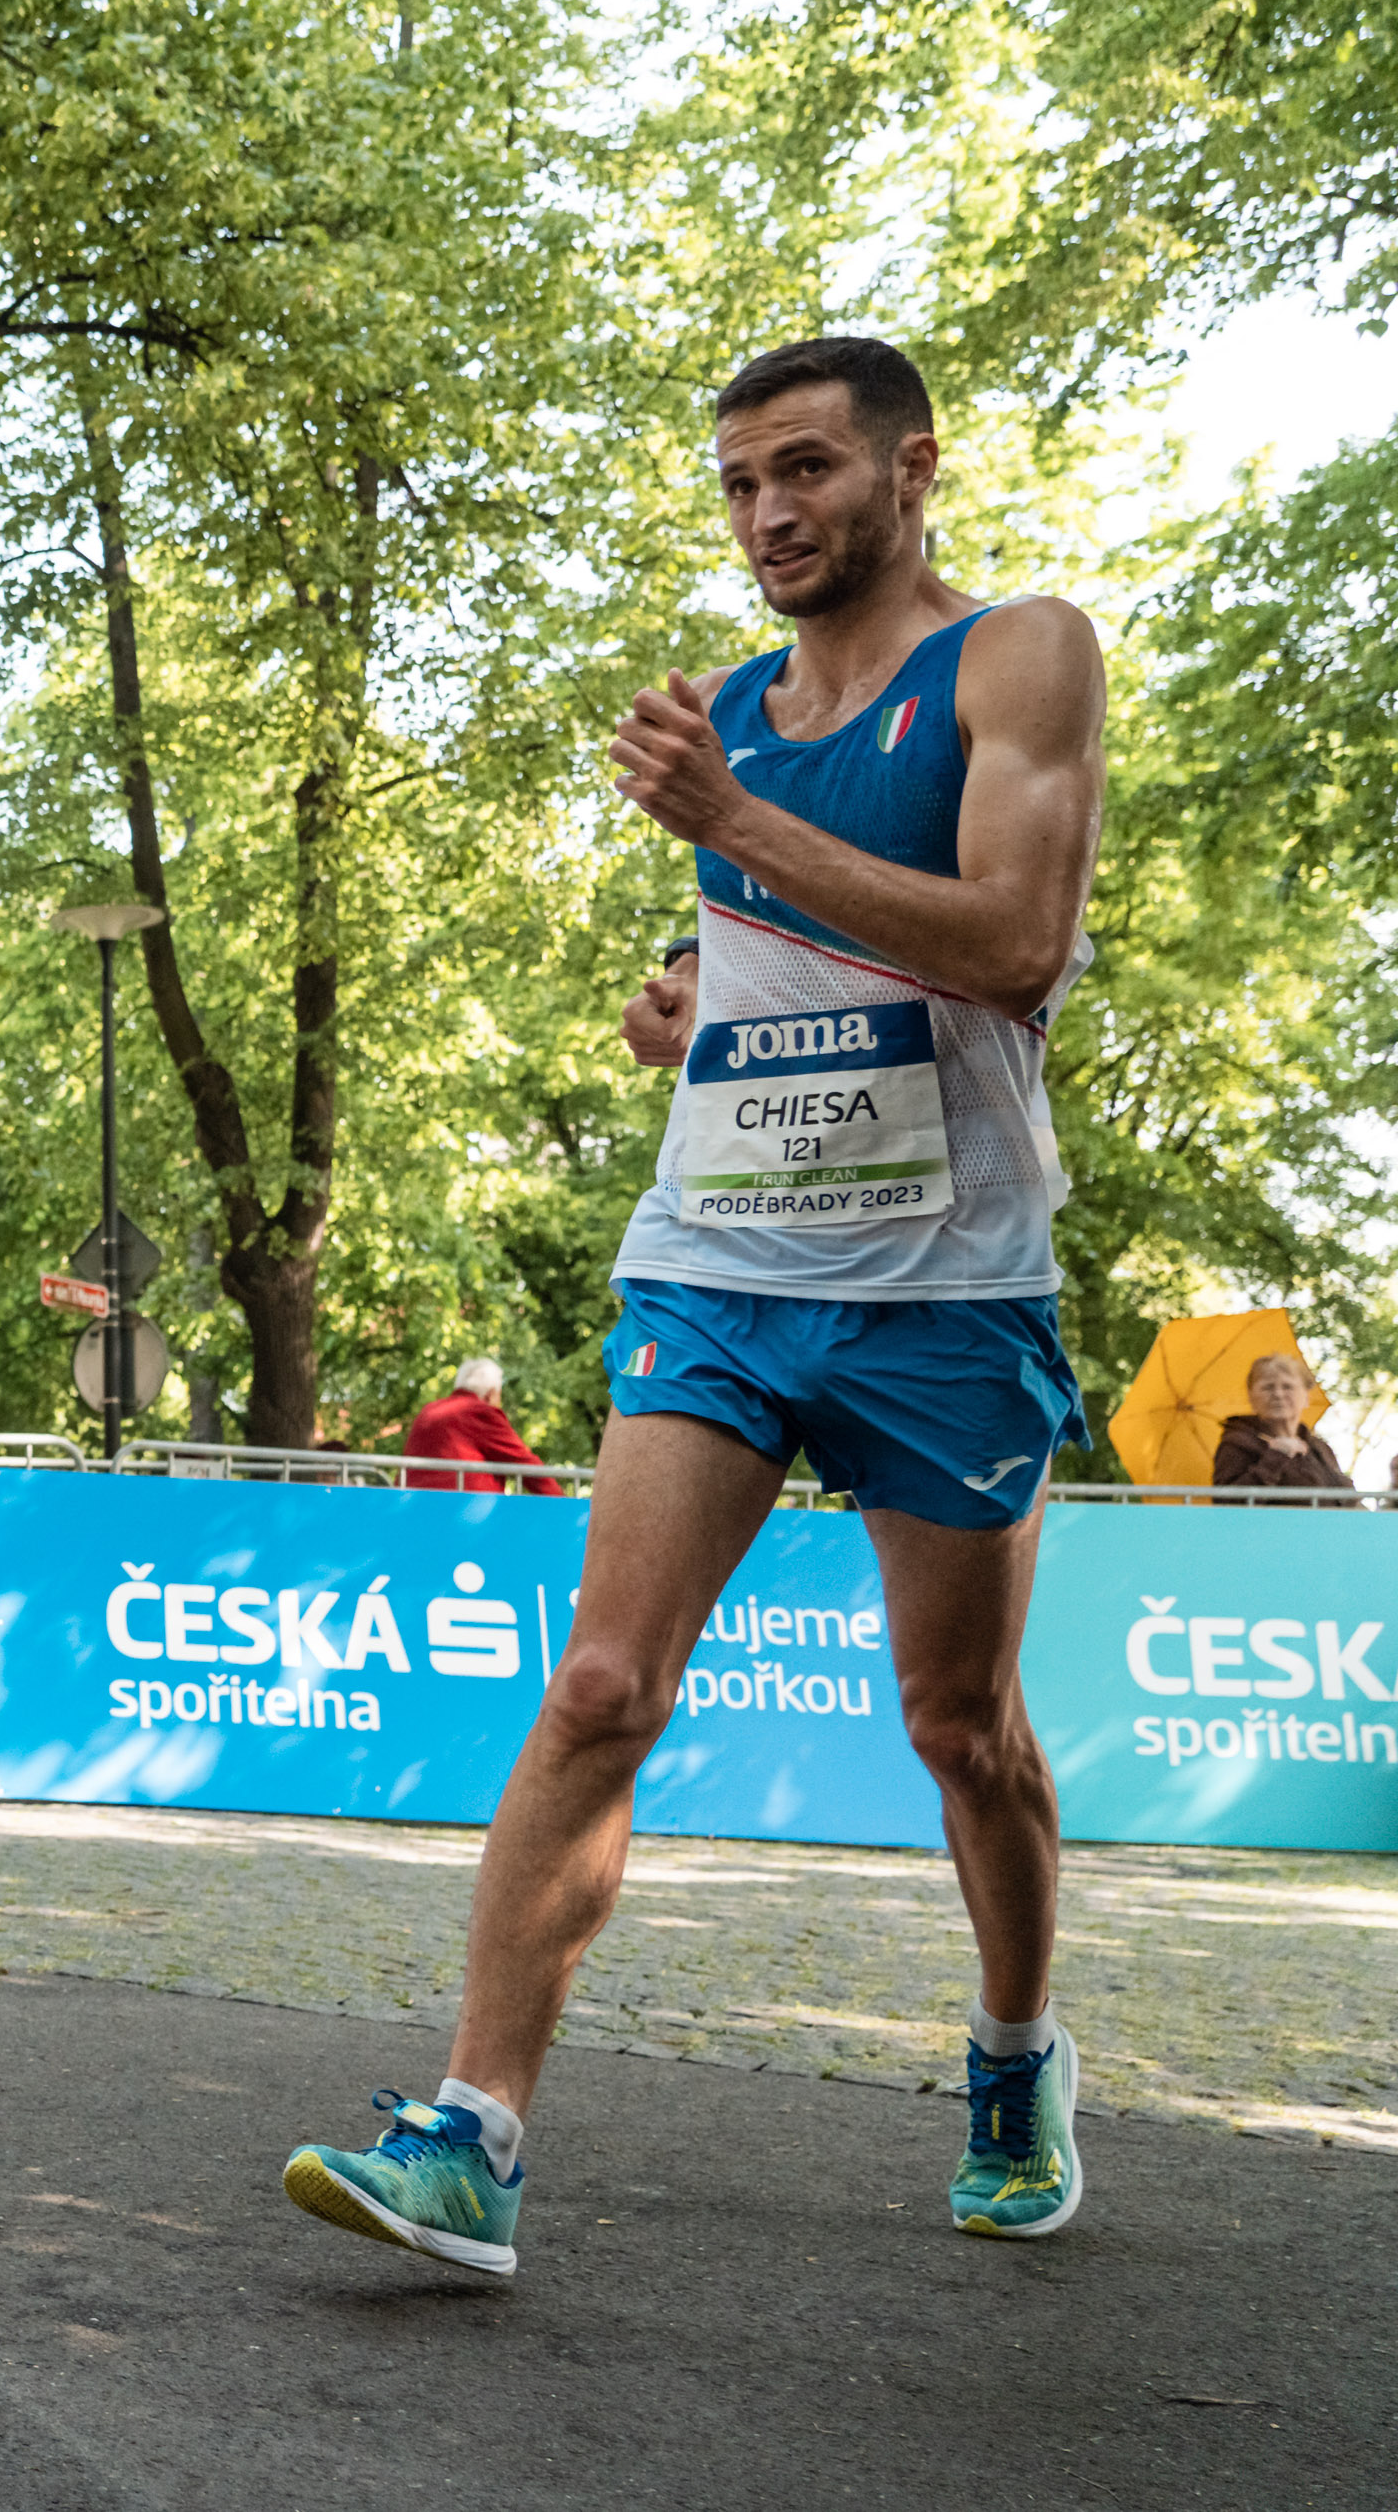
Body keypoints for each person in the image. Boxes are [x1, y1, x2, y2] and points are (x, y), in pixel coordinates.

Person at [279, 335, 1108, 2279]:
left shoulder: (1014, 657)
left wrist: (731, 825)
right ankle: (470, 2139)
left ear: (911, 468)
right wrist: (694, 999)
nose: (766, 512)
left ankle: (1012, 2054)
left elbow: (1012, 943)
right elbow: (775, 941)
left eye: (805, 467)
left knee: (960, 1723)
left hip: (945, 1288)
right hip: (719, 1266)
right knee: (599, 1684)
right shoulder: (728, 710)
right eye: (739, 482)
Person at [400, 1358, 562, 1495]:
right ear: (490, 1395)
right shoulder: (480, 1412)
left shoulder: (429, 1410)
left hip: (411, 1504)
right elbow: (524, 1462)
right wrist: (566, 1505)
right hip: (460, 1510)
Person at [1208, 1352, 1350, 1499]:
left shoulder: (1319, 1448)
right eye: (1268, 1387)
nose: (1278, 1394)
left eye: (1287, 1387)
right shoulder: (1238, 1443)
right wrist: (1275, 1457)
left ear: (1307, 1397)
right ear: (1250, 1397)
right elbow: (1227, 1502)